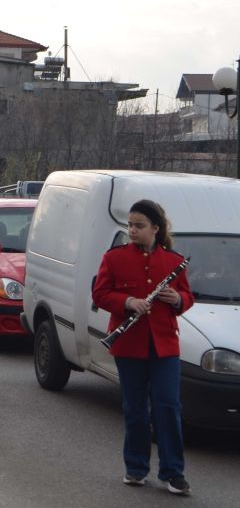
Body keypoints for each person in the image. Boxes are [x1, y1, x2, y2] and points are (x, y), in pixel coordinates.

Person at [91, 200, 194, 496]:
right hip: (129, 345)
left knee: (168, 407)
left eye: (139, 226)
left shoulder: (174, 261)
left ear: (155, 228)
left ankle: (173, 473)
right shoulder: (115, 257)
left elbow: (187, 295)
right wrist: (128, 302)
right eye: (130, 225)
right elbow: (100, 294)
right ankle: (136, 468)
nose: (132, 230)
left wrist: (178, 300)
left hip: (165, 345)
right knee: (135, 409)